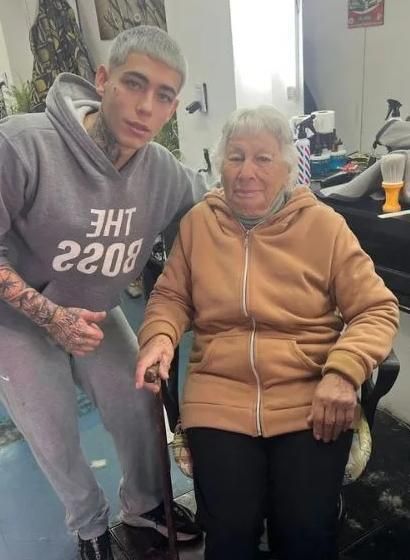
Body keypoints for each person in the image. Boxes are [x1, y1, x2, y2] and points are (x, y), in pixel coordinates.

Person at [135, 106, 399, 560]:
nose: (247, 172)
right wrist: (160, 335)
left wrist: (344, 372)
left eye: (263, 158)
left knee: (305, 534)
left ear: (287, 167)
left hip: (309, 395)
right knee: (229, 534)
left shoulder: (324, 226)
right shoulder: (199, 224)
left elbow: (376, 308)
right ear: (220, 164)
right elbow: (171, 296)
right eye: (236, 157)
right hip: (220, 395)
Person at [0, 26, 206, 560]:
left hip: (95, 309)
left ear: (173, 107)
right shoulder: (22, 145)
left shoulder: (163, 174)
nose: (145, 106)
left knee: (138, 399)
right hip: (15, 318)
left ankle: (144, 506)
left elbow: (217, 212)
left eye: (163, 95)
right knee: (51, 429)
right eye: (134, 83)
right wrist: (50, 317)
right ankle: (89, 524)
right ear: (102, 79)